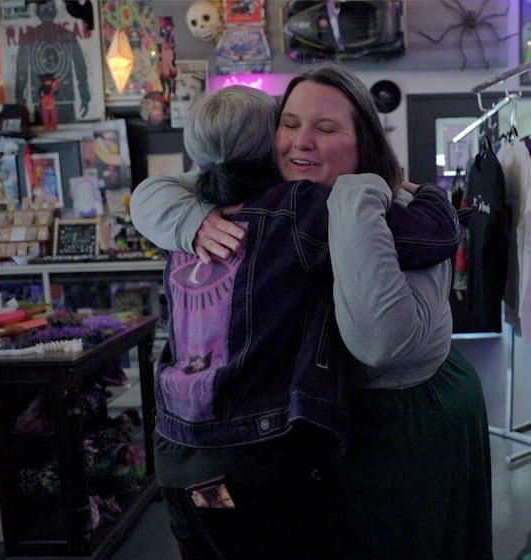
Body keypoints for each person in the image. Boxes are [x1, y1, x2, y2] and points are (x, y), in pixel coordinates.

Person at [130, 62, 494, 559]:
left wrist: (394, 198)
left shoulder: (359, 206)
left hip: (400, 425)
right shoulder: (257, 201)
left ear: (363, 141)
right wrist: (185, 218)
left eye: (326, 128)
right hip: (272, 442)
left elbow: (382, 339)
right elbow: (155, 191)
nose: (302, 141)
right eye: (290, 123)